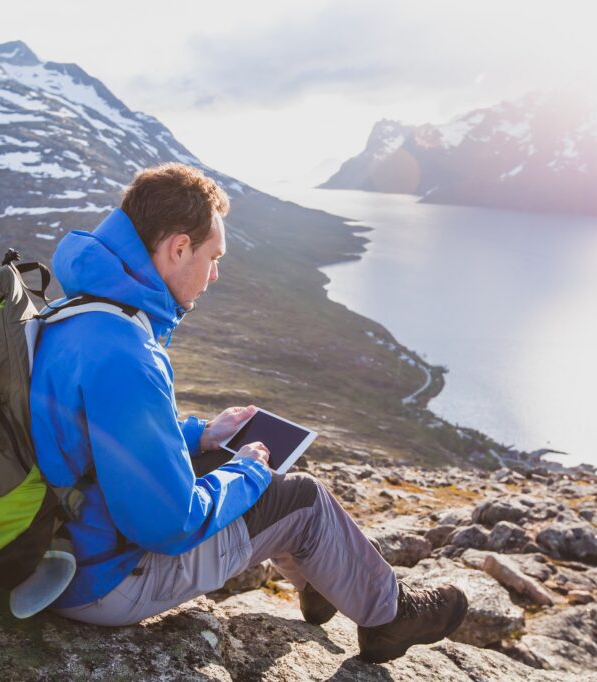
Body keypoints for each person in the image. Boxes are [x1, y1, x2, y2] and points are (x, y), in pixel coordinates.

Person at [29, 163, 468, 663]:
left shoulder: (72, 313)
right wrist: (247, 471)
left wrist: (201, 437)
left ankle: (328, 576)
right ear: (178, 248)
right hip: (101, 583)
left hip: (53, 552)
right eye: (212, 257)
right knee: (298, 499)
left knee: (238, 473)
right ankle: (392, 617)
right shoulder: (126, 351)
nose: (215, 273)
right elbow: (168, 526)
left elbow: (93, 440)